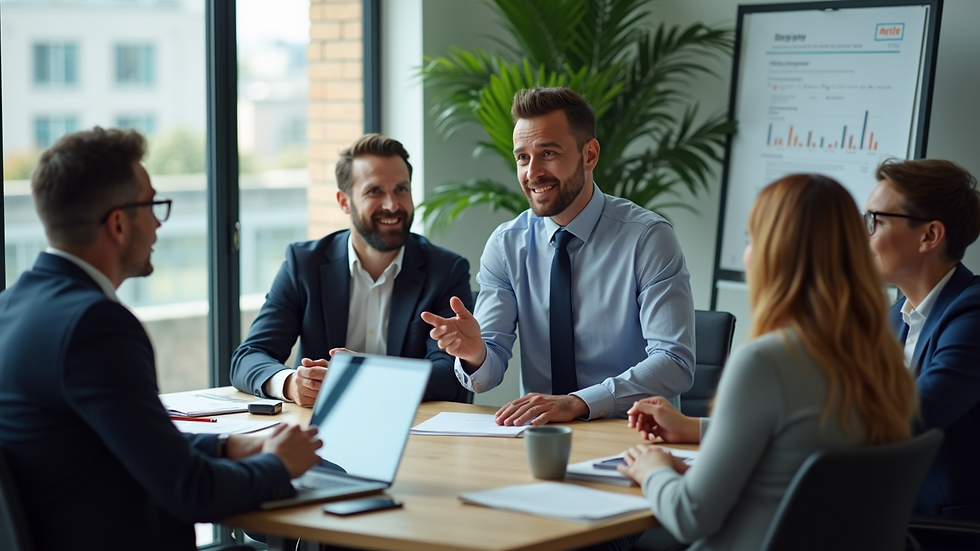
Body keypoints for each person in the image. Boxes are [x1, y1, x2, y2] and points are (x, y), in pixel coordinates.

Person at [0, 127, 322, 551]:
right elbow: (190, 490)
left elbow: (137, 444)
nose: (157, 222)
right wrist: (278, 464)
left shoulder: (14, 304)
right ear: (117, 223)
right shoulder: (96, 325)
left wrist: (232, 445)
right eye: (152, 205)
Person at [617, 174, 918, 550]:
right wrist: (695, 445)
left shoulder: (765, 361)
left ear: (775, 254)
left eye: (750, 240)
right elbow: (797, 450)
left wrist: (652, 470)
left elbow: (689, 516)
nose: (746, 255)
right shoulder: (880, 358)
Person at [422, 87, 696, 426]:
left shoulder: (647, 238)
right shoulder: (507, 245)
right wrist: (475, 353)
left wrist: (579, 403)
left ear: (589, 155)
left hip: (632, 431)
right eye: (522, 157)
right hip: (543, 435)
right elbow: (487, 374)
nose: (532, 172)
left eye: (548, 153)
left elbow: (674, 362)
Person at [231, 133, 473, 406]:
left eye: (401, 190)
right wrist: (289, 384)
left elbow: (451, 375)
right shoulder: (304, 264)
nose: (392, 205)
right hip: (318, 430)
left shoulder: (446, 271)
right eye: (375, 191)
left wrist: (363, 376)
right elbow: (248, 357)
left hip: (410, 427)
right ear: (344, 202)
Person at [865, 158, 980, 522]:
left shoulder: (974, 313)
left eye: (877, 222)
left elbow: (908, 416)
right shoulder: (891, 318)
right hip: (881, 511)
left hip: (943, 528)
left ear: (929, 235)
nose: (865, 237)